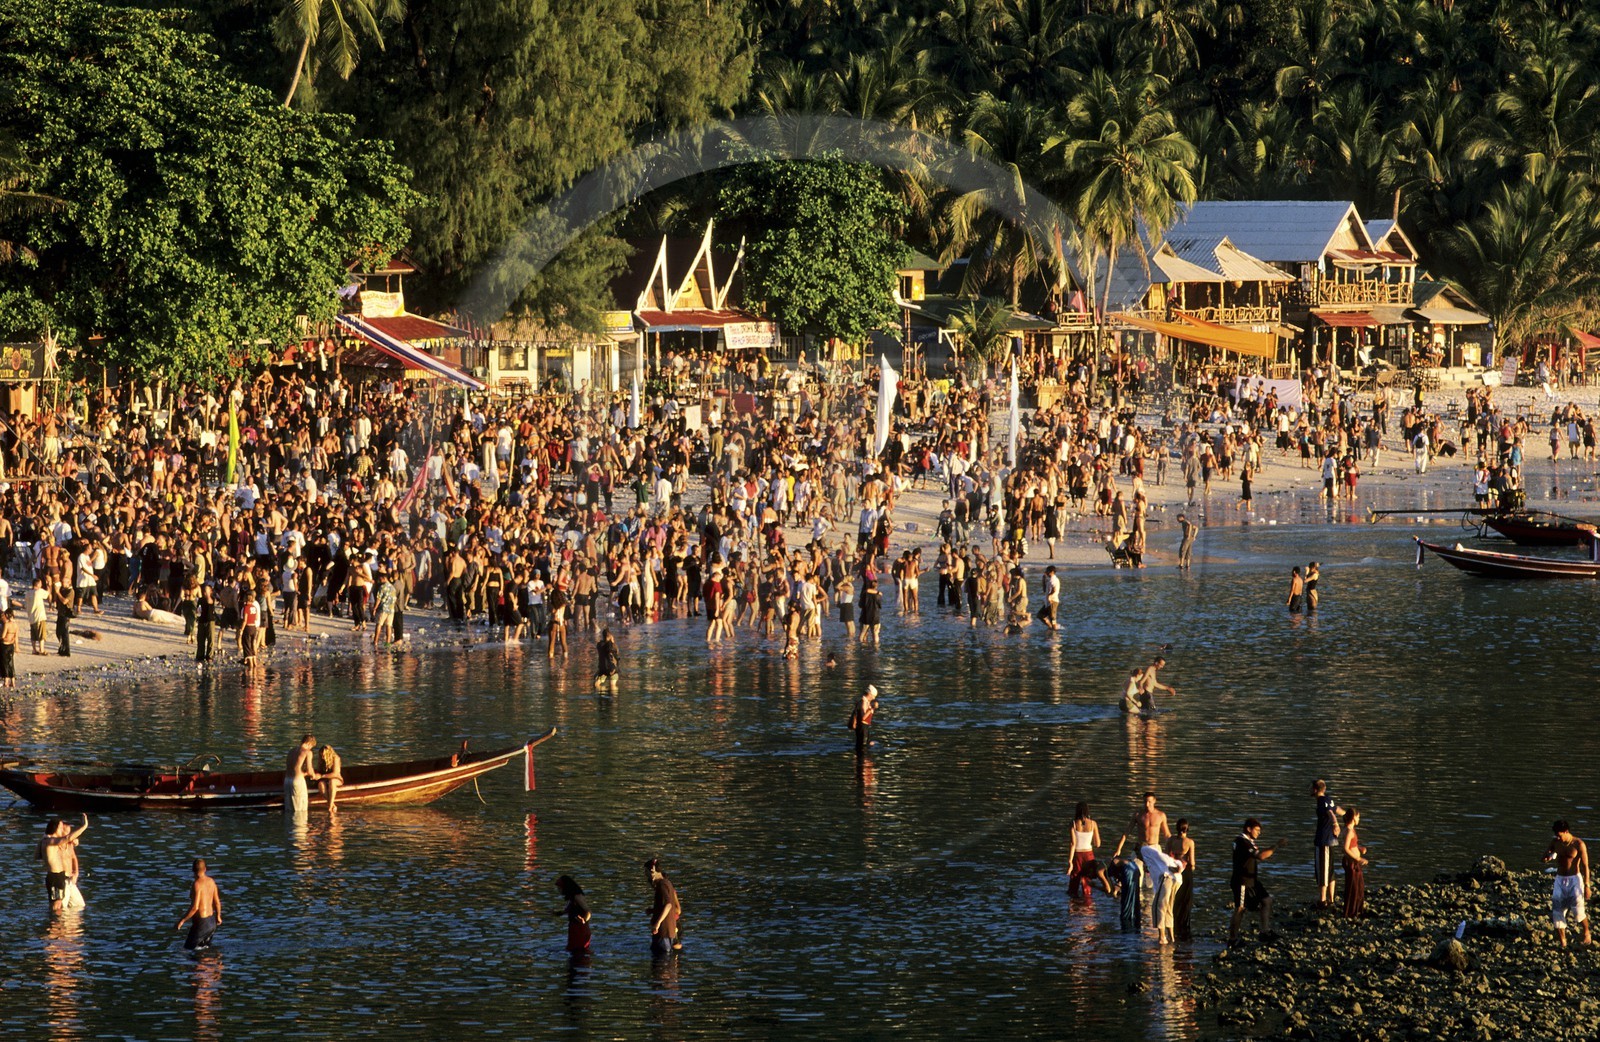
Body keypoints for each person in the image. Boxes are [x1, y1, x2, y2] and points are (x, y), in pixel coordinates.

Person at [1228, 818, 1277, 945]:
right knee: (1240, 908)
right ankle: (1232, 939)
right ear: (1249, 829)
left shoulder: (1248, 841)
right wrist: (1275, 846)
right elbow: (1260, 856)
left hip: (1252, 881)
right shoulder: (1242, 842)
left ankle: (1264, 932)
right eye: (1257, 830)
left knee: (1266, 900)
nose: (1259, 833)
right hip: (1242, 881)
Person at [1545, 819, 1592, 948]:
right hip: (1560, 879)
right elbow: (1546, 855)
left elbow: (1585, 866)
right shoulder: (1555, 843)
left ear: (1566, 831)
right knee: (1557, 911)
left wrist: (1587, 885)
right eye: (1556, 835)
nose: (1558, 838)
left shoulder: (1578, 844)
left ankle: (1586, 932)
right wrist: (1547, 857)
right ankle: (1563, 942)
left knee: (1578, 910)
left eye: (1560, 835)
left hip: (1574, 880)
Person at [35, 814, 88, 913]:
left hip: (61, 876)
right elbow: (67, 838)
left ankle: (65, 925)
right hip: (55, 877)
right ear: (55, 828)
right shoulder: (49, 841)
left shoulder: (46, 841)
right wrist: (83, 827)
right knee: (57, 907)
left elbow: (36, 856)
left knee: (76, 905)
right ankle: (54, 927)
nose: (62, 830)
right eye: (60, 827)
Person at [1068, 802, 1113, 897]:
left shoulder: (1073, 823)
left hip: (1077, 855)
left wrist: (1070, 861)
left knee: (1074, 880)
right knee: (1087, 880)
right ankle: (1087, 903)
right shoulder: (1093, 823)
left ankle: (1073, 905)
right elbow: (1098, 844)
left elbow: (1073, 844)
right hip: (1089, 855)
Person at [176, 858, 223, 951]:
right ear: (205, 869)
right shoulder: (211, 881)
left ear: (193, 870)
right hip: (212, 922)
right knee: (204, 949)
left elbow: (195, 907)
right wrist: (218, 916)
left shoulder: (196, 884)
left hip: (202, 923)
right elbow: (217, 902)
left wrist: (182, 921)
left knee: (187, 949)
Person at [1312, 779, 1344, 908]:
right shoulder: (1328, 799)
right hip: (1330, 841)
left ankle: (1323, 901)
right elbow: (1337, 810)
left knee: (1322, 871)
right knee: (1330, 870)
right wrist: (1349, 815)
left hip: (1323, 841)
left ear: (1315, 790)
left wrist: (1336, 824)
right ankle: (1331, 900)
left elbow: (1330, 813)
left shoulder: (1321, 801)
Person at [646, 858, 682, 954]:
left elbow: (669, 905)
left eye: (647, 873)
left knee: (663, 960)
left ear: (652, 871)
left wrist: (657, 923)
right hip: (665, 932)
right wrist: (653, 911)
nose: (647, 876)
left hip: (663, 932)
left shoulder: (662, 885)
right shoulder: (667, 883)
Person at [1168, 819, 1196, 941]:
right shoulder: (1189, 842)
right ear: (1187, 829)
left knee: (1175, 898)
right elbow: (1192, 862)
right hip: (1186, 871)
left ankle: (1173, 924)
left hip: (1173, 869)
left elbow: (1166, 855)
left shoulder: (1171, 840)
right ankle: (1184, 926)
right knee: (1186, 900)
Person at [554, 875, 592, 956]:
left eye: (560, 888)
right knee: (574, 950)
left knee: (578, 951)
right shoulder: (572, 898)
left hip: (580, 928)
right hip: (574, 928)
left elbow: (588, 911)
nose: (559, 890)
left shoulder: (577, 896)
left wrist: (584, 920)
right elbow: (568, 910)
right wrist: (559, 913)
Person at [284, 734, 320, 817]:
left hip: (287, 780)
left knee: (289, 809)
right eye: (311, 747)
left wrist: (304, 773)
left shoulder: (291, 751)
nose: (311, 749)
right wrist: (314, 776)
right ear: (309, 744)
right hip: (297, 781)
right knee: (300, 810)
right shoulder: (307, 752)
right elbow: (310, 770)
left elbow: (292, 767)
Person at [1341, 808, 1367, 920]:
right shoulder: (1349, 831)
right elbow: (1345, 848)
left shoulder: (1349, 830)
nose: (1359, 819)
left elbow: (1352, 845)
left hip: (1353, 862)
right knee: (1354, 887)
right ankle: (1352, 912)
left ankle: (1356, 910)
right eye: (1358, 817)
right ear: (1353, 818)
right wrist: (1358, 858)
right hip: (1352, 863)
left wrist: (1359, 849)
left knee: (1357, 885)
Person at [850, 684, 878, 753]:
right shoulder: (863, 702)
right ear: (869, 694)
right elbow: (863, 718)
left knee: (865, 744)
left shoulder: (865, 702)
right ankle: (862, 761)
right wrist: (872, 708)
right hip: (863, 727)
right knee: (863, 747)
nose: (874, 698)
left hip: (864, 727)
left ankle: (861, 758)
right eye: (873, 696)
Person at [318, 745, 344, 814]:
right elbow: (319, 770)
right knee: (320, 784)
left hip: (337, 779)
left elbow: (335, 773)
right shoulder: (321, 760)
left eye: (324, 755)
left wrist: (321, 776)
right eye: (321, 755)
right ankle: (332, 804)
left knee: (332, 782)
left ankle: (329, 806)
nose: (322, 757)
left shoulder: (336, 758)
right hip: (325, 779)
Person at [857, 578, 882, 648]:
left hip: (865, 615)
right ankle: (876, 648)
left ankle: (861, 646)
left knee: (863, 633)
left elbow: (860, 605)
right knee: (875, 633)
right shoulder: (878, 594)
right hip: (875, 616)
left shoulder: (864, 594)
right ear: (876, 586)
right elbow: (880, 606)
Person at [595, 627, 619, 692]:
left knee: (596, 685)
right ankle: (612, 695)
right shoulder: (613, 646)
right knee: (613, 687)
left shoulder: (599, 645)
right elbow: (616, 655)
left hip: (602, 671)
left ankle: (604, 691)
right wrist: (612, 642)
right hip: (612, 671)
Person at [0, 606, 17, 689]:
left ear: (7, 615)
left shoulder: (7, 624)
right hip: (11, 645)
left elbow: (3, 636)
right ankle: (13, 682)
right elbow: (16, 637)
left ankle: (6, 682)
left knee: (5, 663)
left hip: (5, 645)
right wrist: (17, 647)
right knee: (11, 663)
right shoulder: (16, 625)